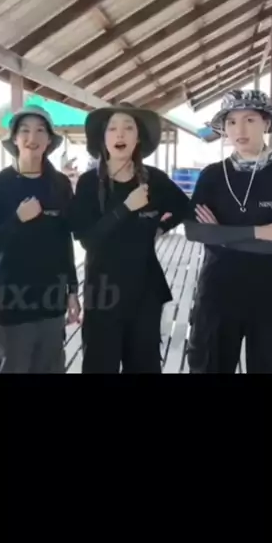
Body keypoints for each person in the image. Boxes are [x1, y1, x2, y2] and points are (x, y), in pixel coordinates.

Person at [185, 89, 272, 374]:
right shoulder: (212, 175)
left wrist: (222, 236)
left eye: (250, 120)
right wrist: (259, 232)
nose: (239, 130)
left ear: (266, 123)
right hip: (218, 292)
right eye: (231, 122)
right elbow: (194, 231)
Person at [70, 103, 189, 374]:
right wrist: (126, 207)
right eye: (112, 128)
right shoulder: (89, 183)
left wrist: (161, 227)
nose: (120, 134)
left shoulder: (154, 179)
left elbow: (184, 207)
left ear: (138, 138)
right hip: (103, 293)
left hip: (145, 289)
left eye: (128, 128)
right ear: (103, 138)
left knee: (145, 364)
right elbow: (88, 240)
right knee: (100, 364)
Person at [0, 105, 80, 374]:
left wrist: (72, 291)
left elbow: (65, 241)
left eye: (40, 131)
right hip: (9, 305)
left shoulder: (60, 184)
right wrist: (17, 219)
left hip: (51, 304)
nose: (32, 137)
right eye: (24, 131)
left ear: (49, 140)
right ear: (15, 139)